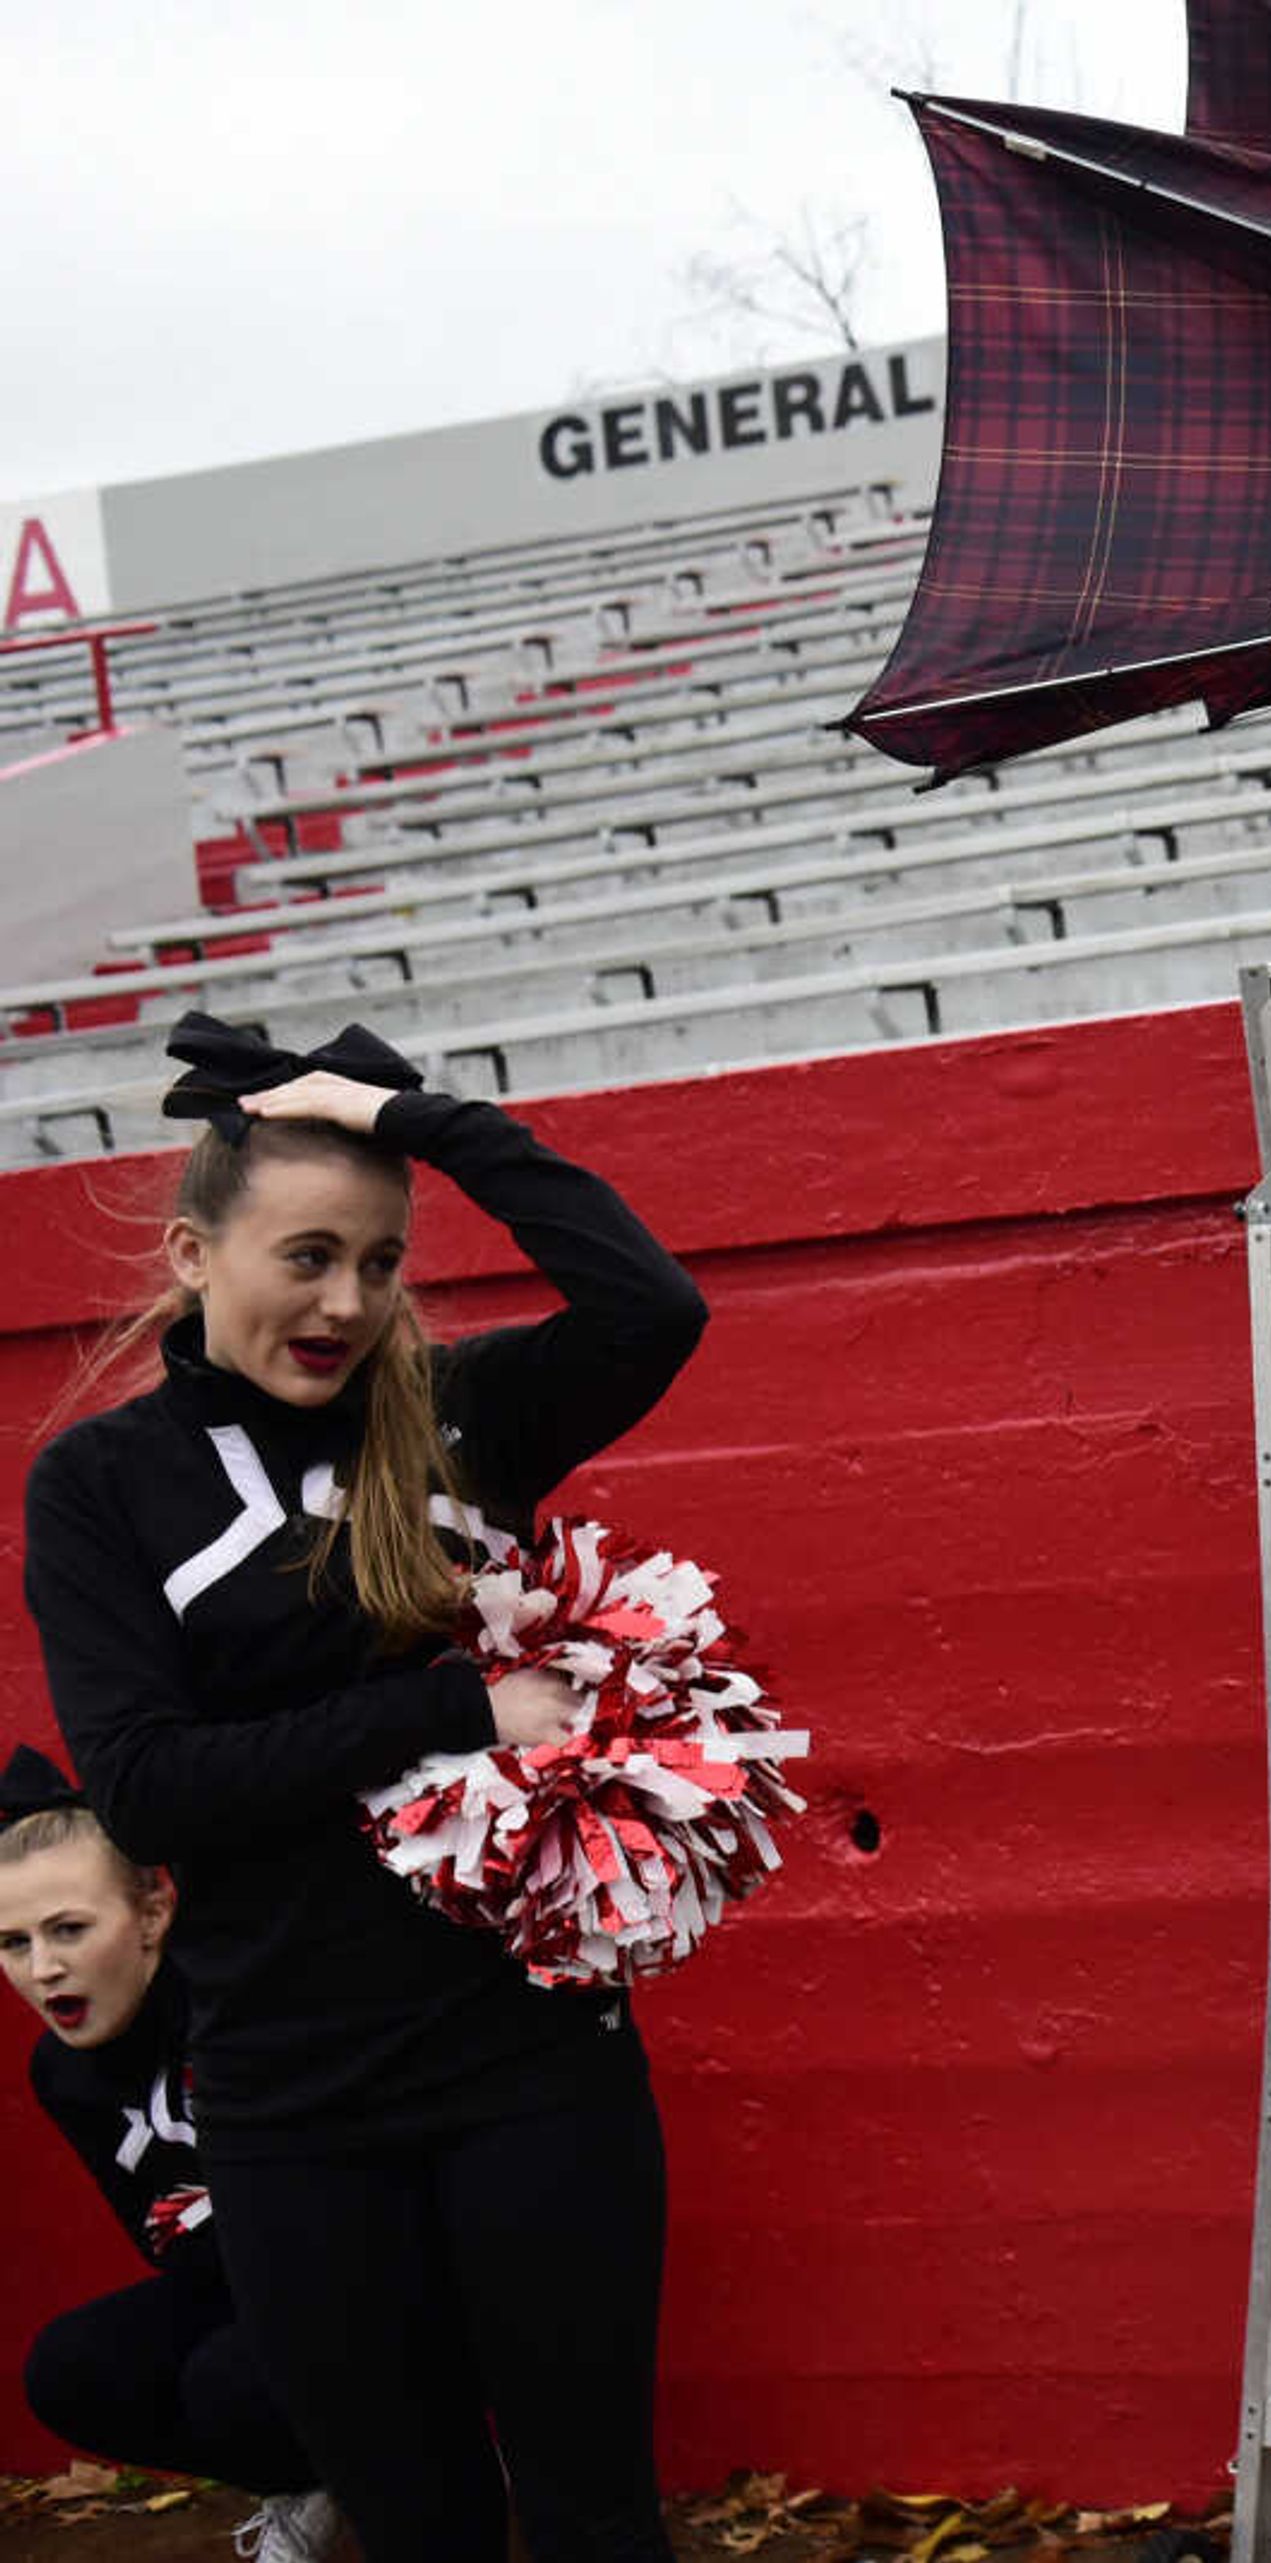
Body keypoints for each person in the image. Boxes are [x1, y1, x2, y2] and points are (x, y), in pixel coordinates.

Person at [23, 1014, 710, 2563]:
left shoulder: (463, 1412)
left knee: (595, 2507)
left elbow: (652, 1303)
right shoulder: (99, 1483)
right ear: (196, 1254)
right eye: (308, 1253)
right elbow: (148, 1782)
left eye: (384, 1262)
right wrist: (451, 1703)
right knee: (418, 2522)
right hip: (289, 2101)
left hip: (535, 2068)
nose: (347, 1300)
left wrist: (423, 1113)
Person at [3, 1746, 335, 2563]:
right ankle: (317, 2478)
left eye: (69, 1929)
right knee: (70, 2370)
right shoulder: (61, 2071)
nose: (43, 1969)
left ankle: (414, 2453)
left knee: (230, 2380)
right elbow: (177, 2252)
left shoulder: (233, 2005)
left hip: (368, 2277)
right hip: (244, 2281)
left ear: (153, 1914)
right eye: (11, 1941)